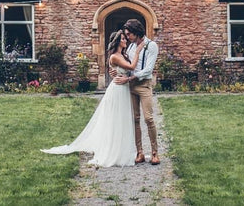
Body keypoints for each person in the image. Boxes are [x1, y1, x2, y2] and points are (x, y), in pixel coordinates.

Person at [41, 30, 145, 167]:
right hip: (118, 90)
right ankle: (114, 151)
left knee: (123, 119)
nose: (125, 40)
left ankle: (123, 149)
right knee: (115, 120)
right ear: (117, 41)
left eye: (125, 38)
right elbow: (131, 66)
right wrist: (138, 52)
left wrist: (121, 73)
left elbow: (129, 69)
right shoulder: (114, 56)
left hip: (124, 89)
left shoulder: (123, 55)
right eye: (123, 39)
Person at [112, 19, 160, 165]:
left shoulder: (151, 46)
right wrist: (115, 71)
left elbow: (148, 69)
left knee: (148, 118)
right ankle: (140, 152)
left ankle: (155, 153)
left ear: (136, 32)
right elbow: (126, 64)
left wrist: (131, 77)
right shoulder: (131, 47)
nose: (127, 37)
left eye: (129, 34)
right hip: (131, 86)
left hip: (144, 85)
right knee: (135, 119)